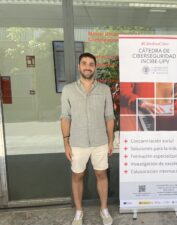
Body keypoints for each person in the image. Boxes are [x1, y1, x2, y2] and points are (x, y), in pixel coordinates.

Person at [60, 52, 115, 225]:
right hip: (77, 142)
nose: (87, 66)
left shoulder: (104, 89)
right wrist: (66, 143)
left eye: (91, 64)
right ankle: (78, 211)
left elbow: (109, 117)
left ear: (95, 67)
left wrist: (111, 141)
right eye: (84, 63)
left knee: (101, 174)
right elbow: (65, 117)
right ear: (79, 66)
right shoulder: (68, 90)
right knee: (77, 176)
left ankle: (104, 209)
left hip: (100, 142)